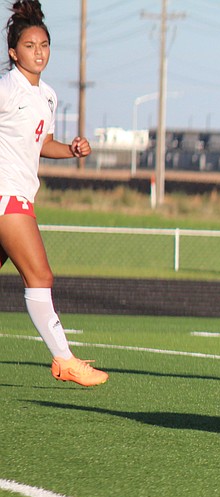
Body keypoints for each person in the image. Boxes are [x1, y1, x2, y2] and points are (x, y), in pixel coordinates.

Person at [0, 0, 106, 386]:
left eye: (44, 44)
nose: (39, 52)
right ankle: (64, 360)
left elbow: (41, 142)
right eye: (30, 46)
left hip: (19, 195)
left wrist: (71, 150)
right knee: (40, 276)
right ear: (13, 52)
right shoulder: (7, 89)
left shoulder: (47, 95)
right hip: (6, 197)